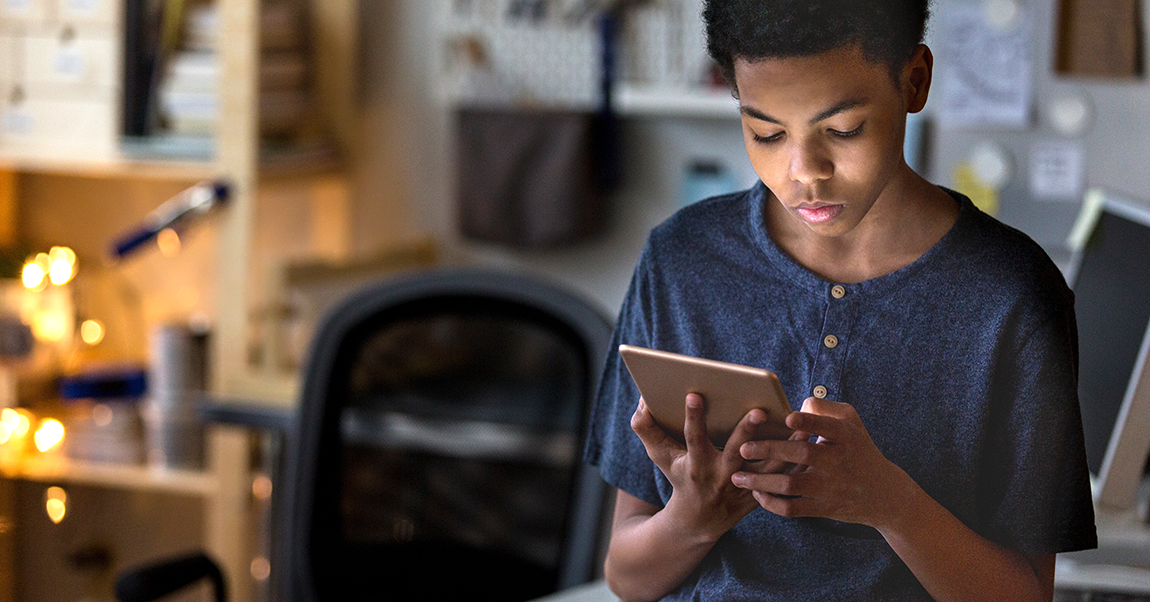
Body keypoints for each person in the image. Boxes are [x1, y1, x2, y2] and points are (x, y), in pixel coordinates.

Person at [582, 1, 1098, 600]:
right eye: (766, 133)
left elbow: (1027, 596)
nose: (805, 171)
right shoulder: (681, 261)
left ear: (915, 80)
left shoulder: (1013, 295)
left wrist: (891, 504)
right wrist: (692, 521)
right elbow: (625, 577)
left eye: (842, 130)